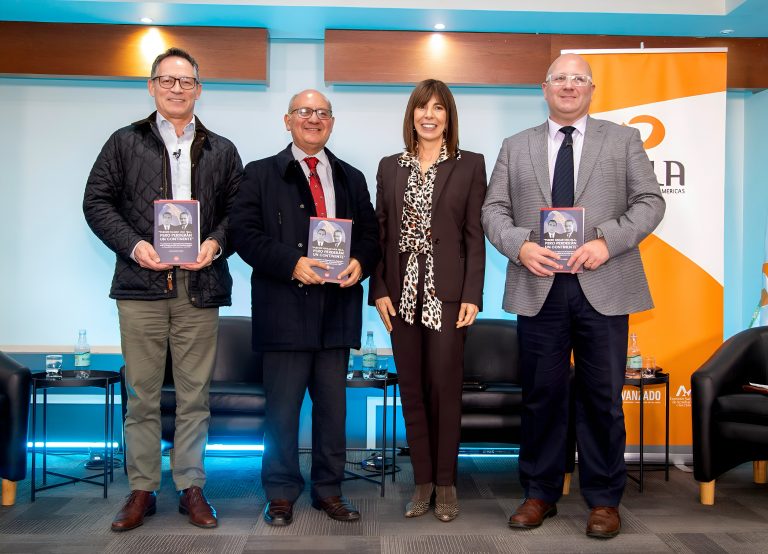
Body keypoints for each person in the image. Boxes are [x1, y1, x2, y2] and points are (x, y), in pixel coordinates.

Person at [482, 54, 665, 539]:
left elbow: (651, 201)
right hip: (538, 286)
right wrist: (520, 245)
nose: (568, 86)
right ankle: (539, 493)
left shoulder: (622, 138)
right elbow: (493, 209)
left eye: (577, 79)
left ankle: (604, 499)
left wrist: (608, 240)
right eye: (559, 78)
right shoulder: (515, 146)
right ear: (544, 88)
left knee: (602, 398)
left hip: (604, 285)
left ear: (592, 88)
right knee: (541, 396)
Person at [83, 47, 242, 532]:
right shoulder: (123, 142)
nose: (177, 88)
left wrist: (215, 243)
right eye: (167, 80)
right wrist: (134, 246)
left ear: (198, 88)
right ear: (151, 87)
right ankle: (142, 489)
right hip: (140, 288)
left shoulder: (221, 148)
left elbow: (241, 213)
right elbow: (96, 201)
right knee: (142, 395)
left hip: (200, 287)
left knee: (196, 396)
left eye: (186, 81)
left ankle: (191, 486)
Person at [230, 89, 380, 527]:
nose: (313, 119)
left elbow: (370, 234)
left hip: (336, 313)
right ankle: (280, 493)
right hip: (283, 312)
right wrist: (291, 263)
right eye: (304, 112)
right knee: (282, 412)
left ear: (332, 121)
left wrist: (360, 263)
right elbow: (243, 234)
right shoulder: (259, 174)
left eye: (322, 113)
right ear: (287, 120)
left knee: (333, 412)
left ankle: (329, 491)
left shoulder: (351, 177)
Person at [370, 79, 486, 522]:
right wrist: (377, 288)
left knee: (445, 388)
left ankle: (446, 483)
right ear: (412, 115)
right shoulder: (389, 166)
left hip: (448, 295)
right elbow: (378, 234)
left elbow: (474, 235)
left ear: (448, 116)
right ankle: (422, 482)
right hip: (400, 296)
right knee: (413, 390)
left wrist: (473, 294)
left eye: (438, 108)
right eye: (422, 107)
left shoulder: (470, 164)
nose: (429, 115)